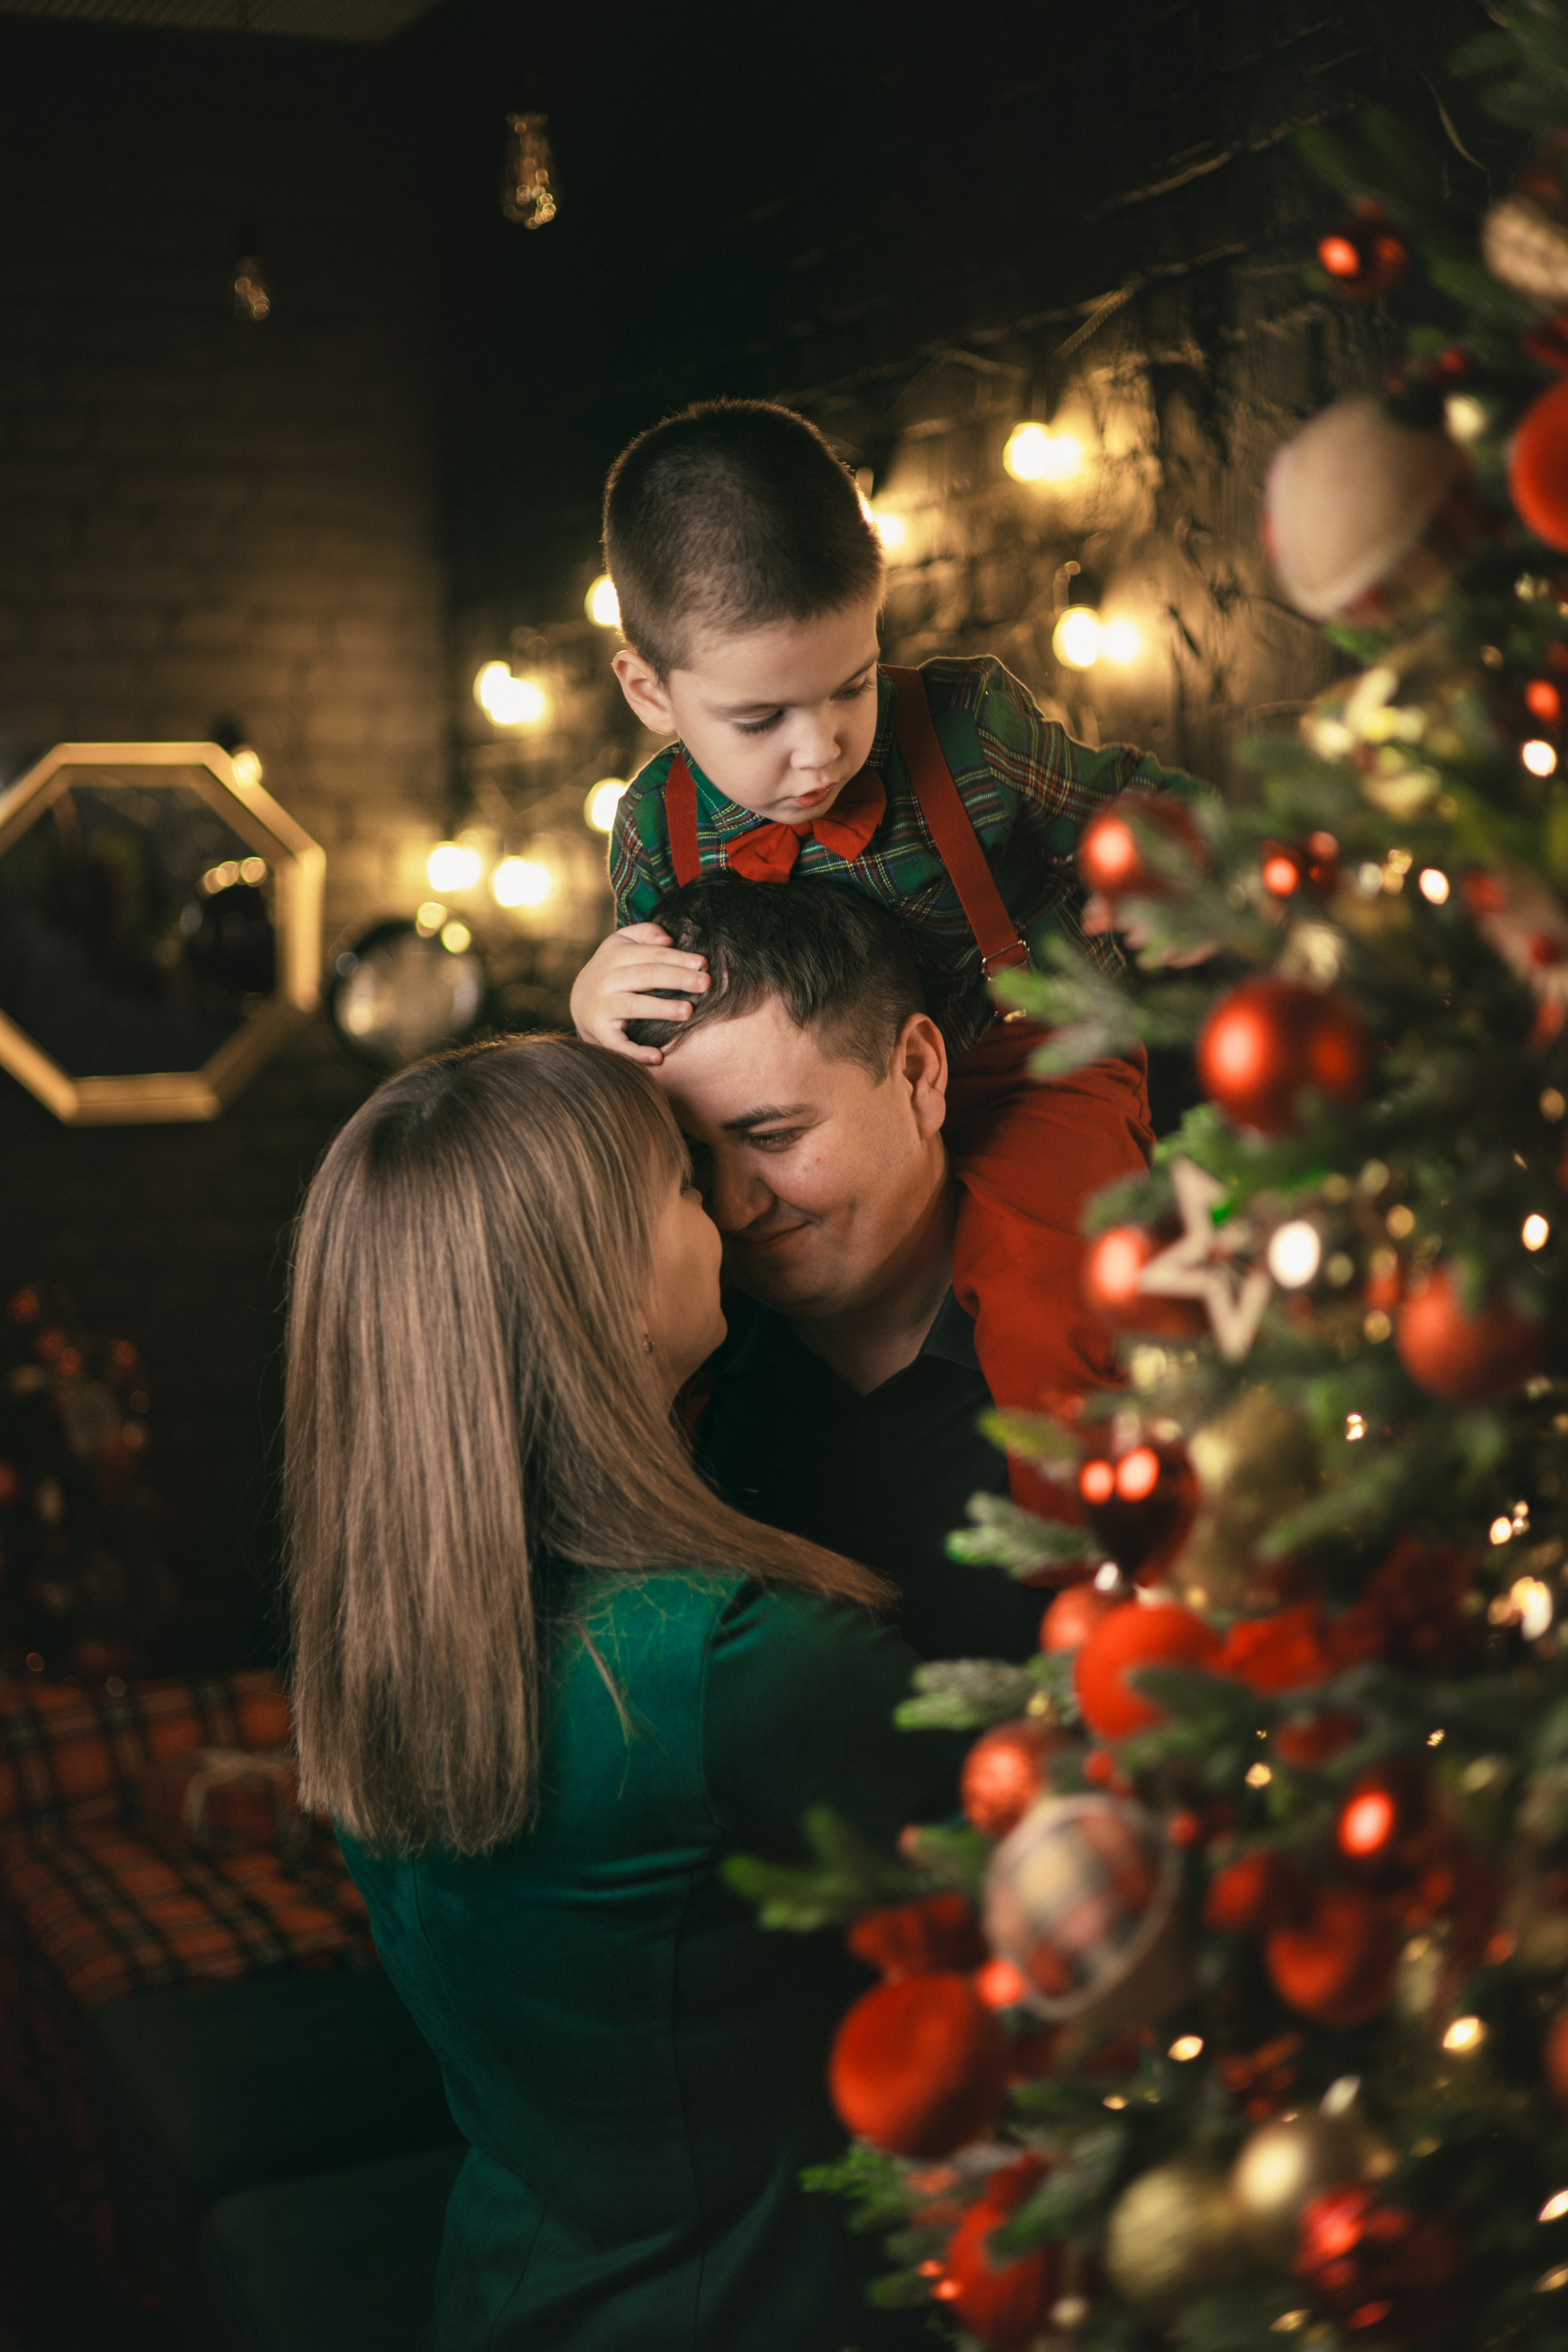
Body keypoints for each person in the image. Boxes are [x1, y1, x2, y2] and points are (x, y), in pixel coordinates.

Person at [284, 1035, 957, 2352]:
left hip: (514, 2291)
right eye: (683, 1184)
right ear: (601, 1288)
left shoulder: (384, 1628)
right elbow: (1063, 1902)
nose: (729, 1216)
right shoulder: (733, 1662)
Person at [570, 398, 1187, 1461]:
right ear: (649, 690)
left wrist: (1178, 873)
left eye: (851, 687)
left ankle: (1087, 1532)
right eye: (761, 720)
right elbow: (654, 1023)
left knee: (1056, 1303)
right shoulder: (651, 830)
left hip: (1031, 1065)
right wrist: (596, 1003)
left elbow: (1128, 809)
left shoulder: (965, 729)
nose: (820, 751)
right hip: (797, 1125)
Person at [625, 877, 1145, 1662]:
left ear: (918, 1074)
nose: (731, 1209)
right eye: (693, 1156)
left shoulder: (1137, 1340)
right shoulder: (679, 1373)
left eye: (774, 1138)